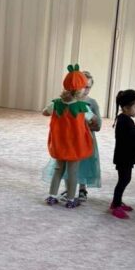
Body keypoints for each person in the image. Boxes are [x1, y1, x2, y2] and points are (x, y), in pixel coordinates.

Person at [43, 64, 94, 208]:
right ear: (80, 89)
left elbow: (44, 112)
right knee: (73, 172)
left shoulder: (56, 104)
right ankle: (71, 199)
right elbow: (92, 120)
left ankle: (52, 196)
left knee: (58, 169)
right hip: (75, 145)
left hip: (59, 143)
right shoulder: (83, 107)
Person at [109, 89, 135, 219]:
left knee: (125, 179)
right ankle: (115, 205)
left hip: (125, 157)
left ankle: (117, 202)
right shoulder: (125, 121)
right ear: (125, 108)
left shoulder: (125, 119)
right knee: (123, 180)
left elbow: (134, 134)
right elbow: (134, 139)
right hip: (123, 157)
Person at [67, 69, 102, 201]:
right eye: (83, 86)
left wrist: (83, 126)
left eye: (88, 87)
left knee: (85, 163)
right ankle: (69, 188)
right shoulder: (68, 101)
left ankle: (82, 188)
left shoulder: (92, 103)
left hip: (85, 138)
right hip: (70, 139)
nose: (85, 90)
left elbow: (98, 125)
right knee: (69, 163)